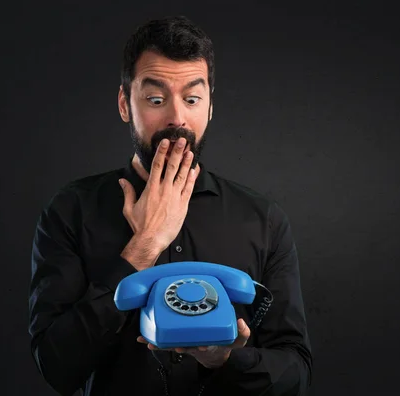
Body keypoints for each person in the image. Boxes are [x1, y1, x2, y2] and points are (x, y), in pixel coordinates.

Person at [28, 15, 312, 396]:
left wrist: (225, 360)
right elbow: (56, 367)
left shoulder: (262, 219)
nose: (177, 118)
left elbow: (296, 374)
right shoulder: (69, 210)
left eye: (192, 99)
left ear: (210, 107)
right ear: (125, 104)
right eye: (156, 99)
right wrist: (143, 246)